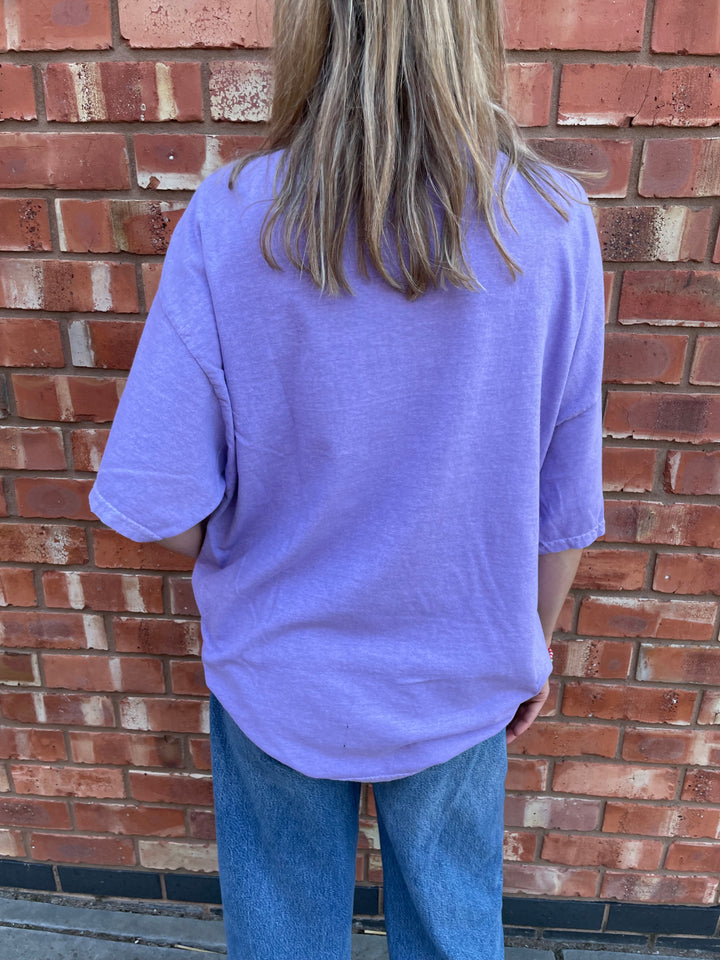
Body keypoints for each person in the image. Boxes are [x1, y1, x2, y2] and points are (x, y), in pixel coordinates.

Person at [89, 0, 605, 957]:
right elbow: (564, 502)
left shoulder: (234, 220)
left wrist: (256, 555)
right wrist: (532, 636)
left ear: (312, 32)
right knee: (454, 934)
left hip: (279, 667)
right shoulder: (555, 225)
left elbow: (158, 503)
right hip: (461, 666)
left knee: (283, 938)